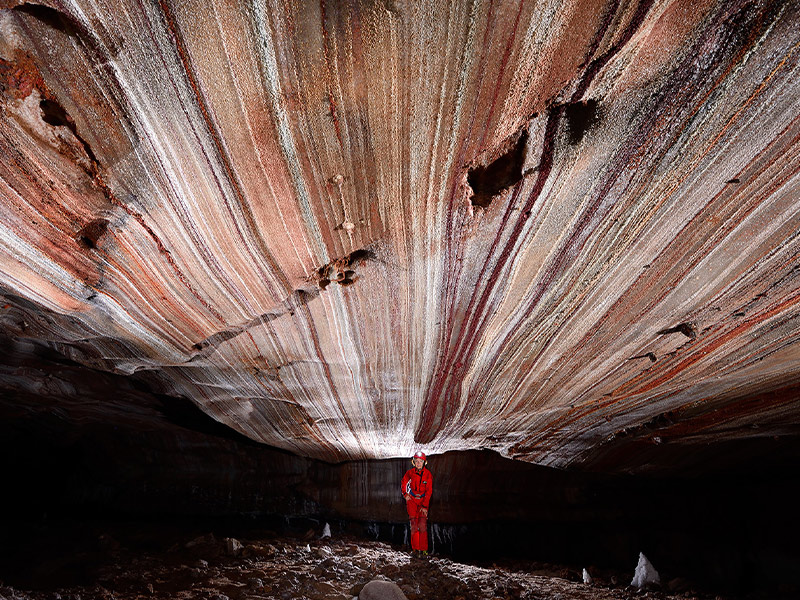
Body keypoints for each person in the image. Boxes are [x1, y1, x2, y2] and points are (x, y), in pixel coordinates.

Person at [401, 450, 433, 558]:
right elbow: (404, 482)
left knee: (422, 525)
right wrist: (405, 494)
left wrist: (425, 506)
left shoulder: (428, 475)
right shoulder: (410, 473)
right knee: (414, 525)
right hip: (413, 501)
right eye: (417, 461)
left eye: (421, 461)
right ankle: (415, 549)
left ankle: (423, 550)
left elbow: (429, 491)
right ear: (414, 462)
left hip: (423, 501)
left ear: (424, 463)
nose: (419, 463)